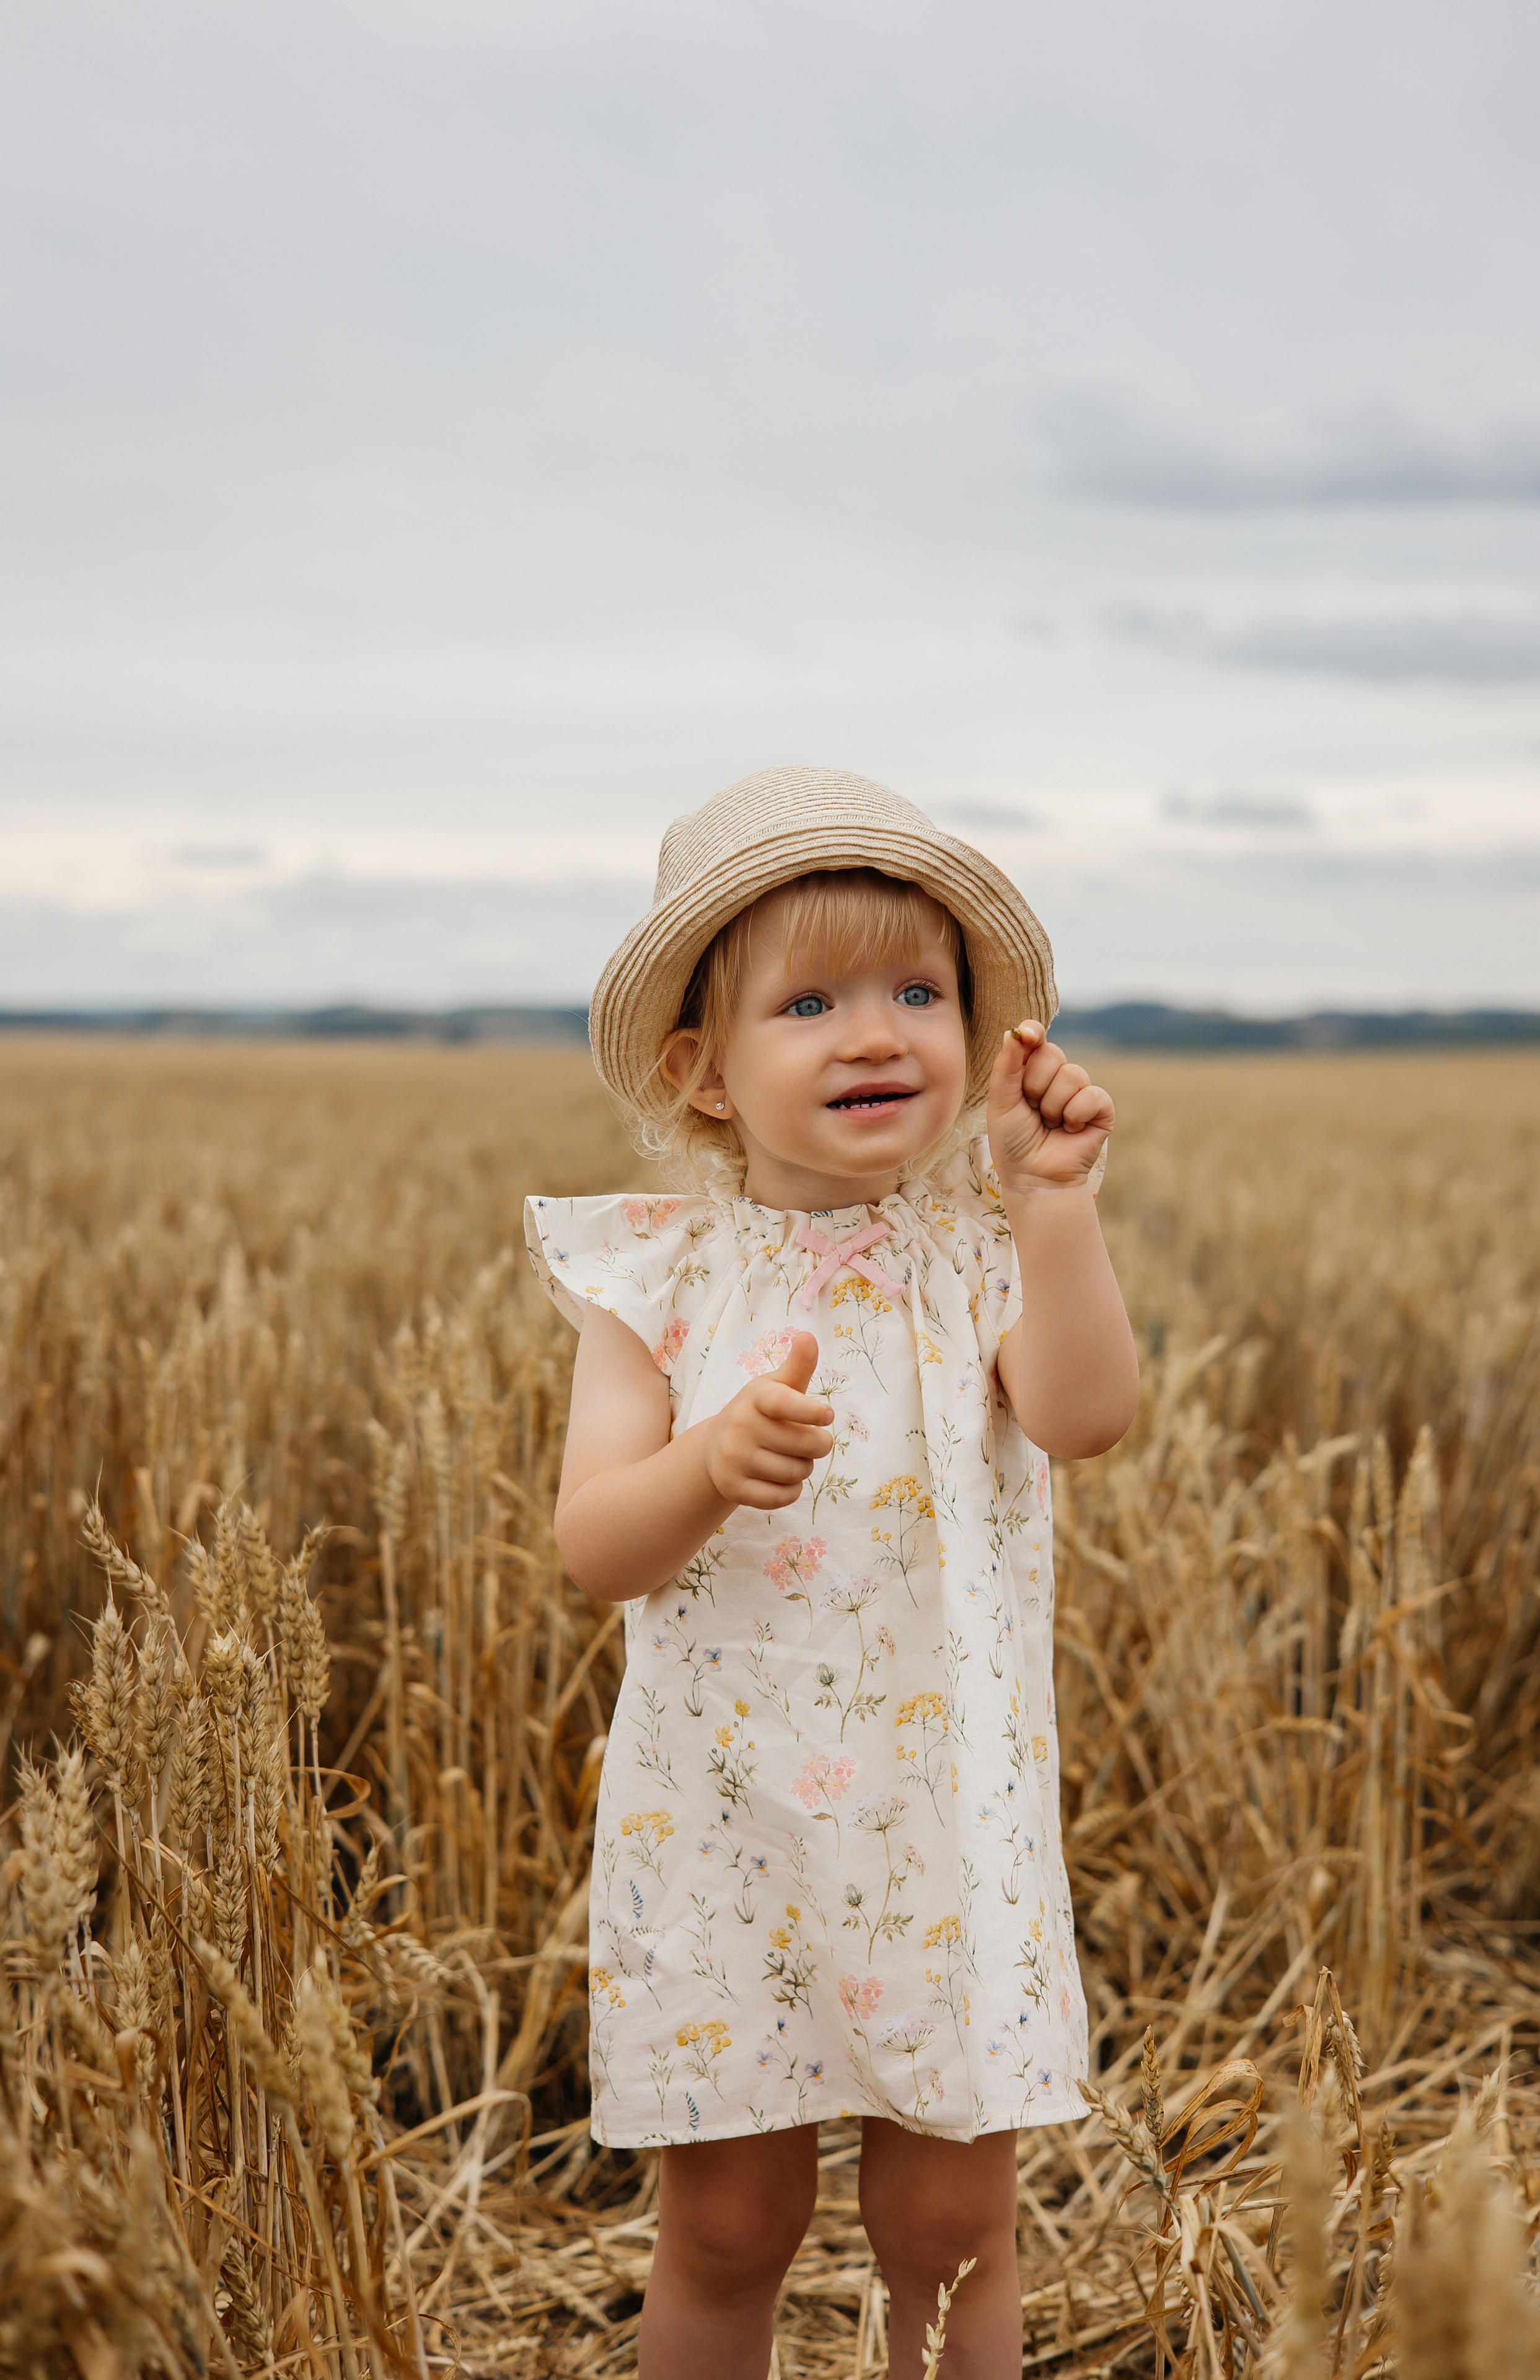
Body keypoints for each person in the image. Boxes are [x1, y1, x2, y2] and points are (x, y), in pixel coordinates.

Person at [524, 765, 1138, 2378]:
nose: (876, 1033)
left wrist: (1056, 1205)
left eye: (917, 992)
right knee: (727, 2229)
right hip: (724, 1824)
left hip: (947, 1832)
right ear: (702, 1072)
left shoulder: (981, 1252)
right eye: (810, 1002)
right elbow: (594, 1544)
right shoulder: (656, 1278)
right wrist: (706, 1469)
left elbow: (1087, 1417)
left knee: (949, 2238)